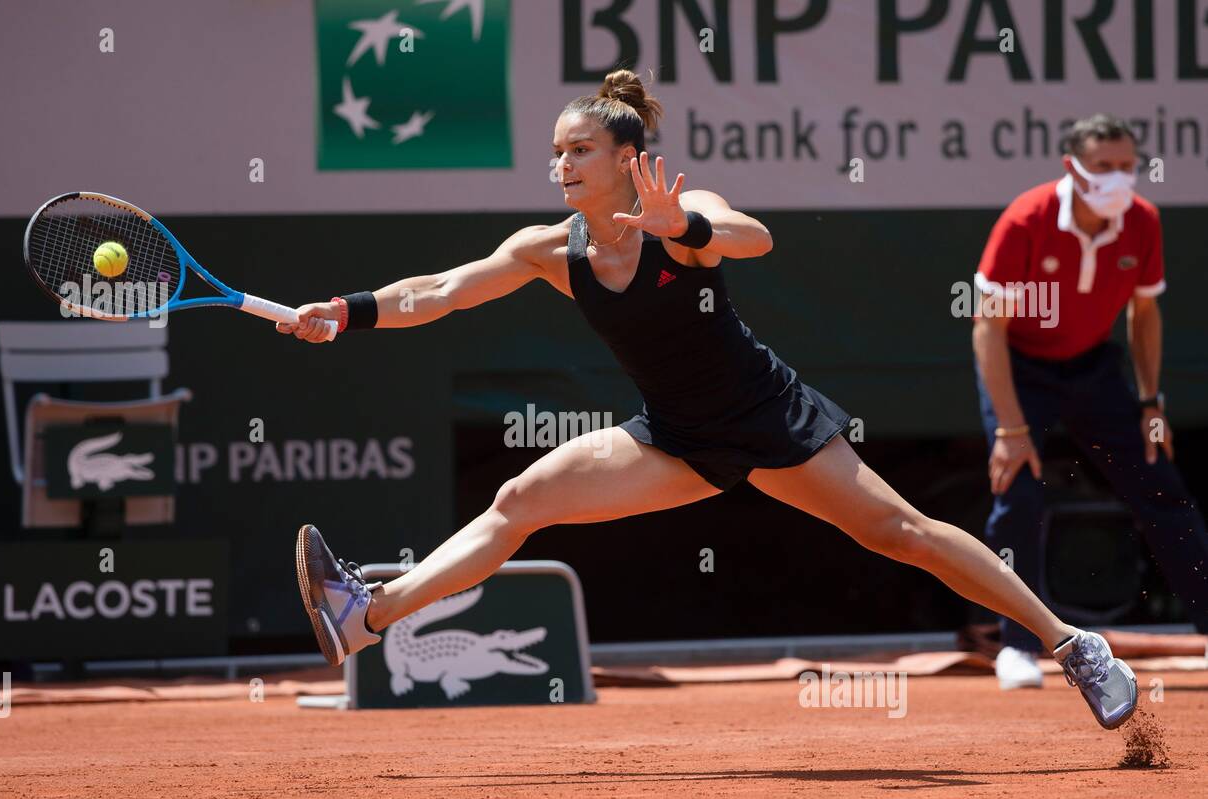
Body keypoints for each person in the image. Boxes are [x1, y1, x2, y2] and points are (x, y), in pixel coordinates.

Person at [285, 71, 1137, 730]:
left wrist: (681, 228)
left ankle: (1073, 645)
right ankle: (368, 617)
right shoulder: (551, 248)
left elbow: (752, 237)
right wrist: (347, 314)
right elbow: (439, 290)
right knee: (520, 501)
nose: (561, 166)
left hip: (768, 418)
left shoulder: (683, 210)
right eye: (556, 152)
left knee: (901, 533)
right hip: (674, 436)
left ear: (627, 160)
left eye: (578, 151)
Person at [973, 113, 1208, 691]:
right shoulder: (1025, 219)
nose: (1118, 179)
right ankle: (1018, 647)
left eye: (1128, 167)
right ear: (1072, 167)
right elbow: (987, 327)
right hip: (1022, 370)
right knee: (1018, 495)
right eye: (1104, 167)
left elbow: (1144, 313)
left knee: (1162, 487)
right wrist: (1010, 428)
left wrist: (1152, 404)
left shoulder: (1142, 222)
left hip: (1095, 371)